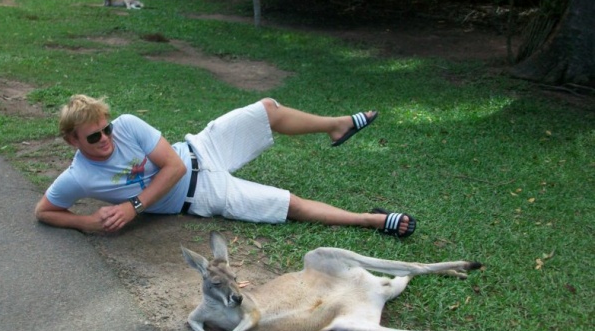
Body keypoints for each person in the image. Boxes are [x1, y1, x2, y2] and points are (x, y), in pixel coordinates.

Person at [34, 95, 416, 237]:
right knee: (290, 205)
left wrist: (132, 207)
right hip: (203, 196)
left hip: (202, 149)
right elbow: (45, 211)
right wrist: (91, 222)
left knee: (267, 109)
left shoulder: (129, 125)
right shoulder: (79, 176)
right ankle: (371, 219)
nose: (107, 139)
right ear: (72, 141)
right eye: (94, 137)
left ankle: (336, 126)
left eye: (107, 128)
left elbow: (174, 168)